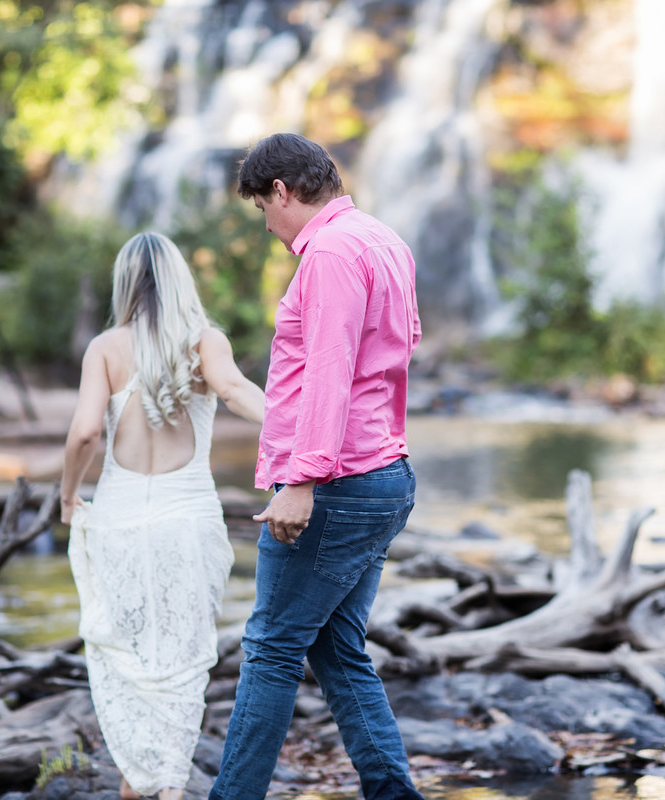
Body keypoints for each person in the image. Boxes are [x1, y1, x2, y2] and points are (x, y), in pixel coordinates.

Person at [209, 133, 424, 800]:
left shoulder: (330, 253)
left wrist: (300, 480)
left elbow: (331, 373)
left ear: (282, 191)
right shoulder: (382, 238)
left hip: (337, 483)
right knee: (337, 650)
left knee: (272, 649)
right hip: (383, 474)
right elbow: (393, 358)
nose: (267, 225)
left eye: (261, 209)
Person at [61, 232, 265, 800]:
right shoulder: (205, 340)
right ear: (181, 278)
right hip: (188, 524)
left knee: (130, 659)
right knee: (181, 662)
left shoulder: (104, 347)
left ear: (124, 282)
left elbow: (83, 434)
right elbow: (234, 390)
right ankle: (169, 784)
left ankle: (139, 783)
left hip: (120, 522)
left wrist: (66, 496)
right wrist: (298, 434)